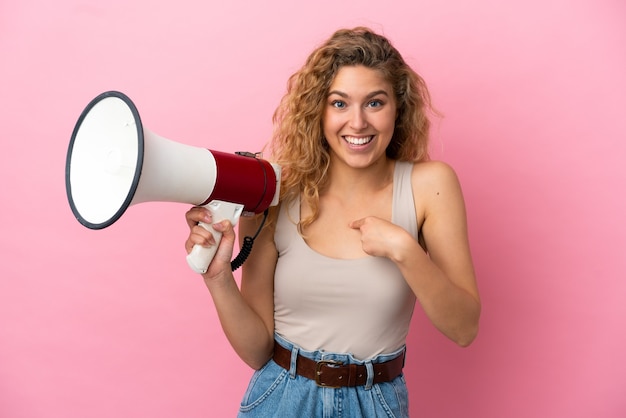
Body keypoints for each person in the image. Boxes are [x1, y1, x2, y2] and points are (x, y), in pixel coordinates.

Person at [184, 27, 481, 417]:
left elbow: (464, 328)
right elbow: (257, 351)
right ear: (318, 111)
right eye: (339, 104)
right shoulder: (276, 192)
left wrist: (405, 250)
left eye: (375, 103)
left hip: (375, 402)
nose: (357, 123)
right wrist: (218, 276)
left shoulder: (430, 186)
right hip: (280, 398)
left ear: (398, 107)